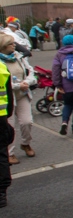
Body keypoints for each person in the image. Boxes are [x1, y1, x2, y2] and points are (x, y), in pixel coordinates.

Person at [0, 33, 36, 163]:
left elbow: (30, 71)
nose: (14, 46)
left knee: (27, 122)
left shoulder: (18, 57)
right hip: (6, 99)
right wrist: (17, 85)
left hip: (22, 94)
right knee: (9, 125)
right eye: (11, 44)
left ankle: (26, 143)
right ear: (3, 46)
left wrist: (28, 82)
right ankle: (9, 152)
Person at [0, 57, 14, 208]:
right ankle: (2, 192)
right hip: (1, 116)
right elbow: (8, 94)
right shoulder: (2, 68)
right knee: (1, 154)